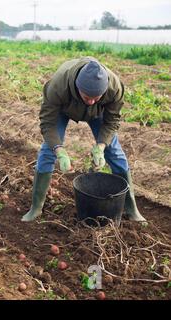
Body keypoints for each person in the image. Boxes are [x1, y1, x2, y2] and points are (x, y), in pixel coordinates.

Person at [22, 57, 146, 222]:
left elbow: (112, 122)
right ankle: (36, 208)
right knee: (47, 152)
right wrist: (59, 151)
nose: (92, 101)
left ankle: (132, 209)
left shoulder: (114, 88)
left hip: (98, 113)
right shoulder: (58, 86)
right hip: (64, 109)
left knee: (114, 152)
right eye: (87, 96)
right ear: (77, 88)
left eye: (97, 97)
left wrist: (101, 146)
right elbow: (47, 124)